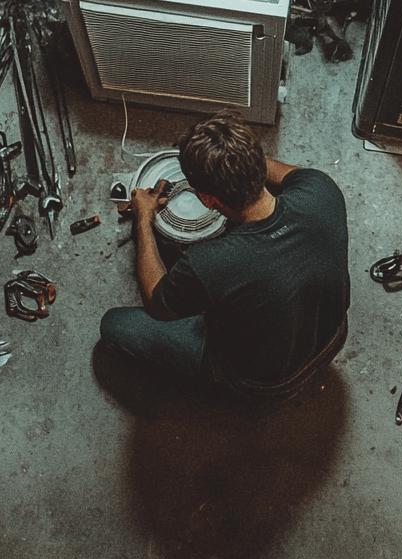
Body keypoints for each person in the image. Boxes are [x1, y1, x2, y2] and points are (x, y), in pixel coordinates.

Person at [99, 111, 350, 398]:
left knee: (115, 325)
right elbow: (277, 171)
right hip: (331, 338)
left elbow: (158, 302)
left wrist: (143, 218)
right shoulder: (321, 189)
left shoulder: (210, 263)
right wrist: (235, 159)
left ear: (207, 199)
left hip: (266, 381)